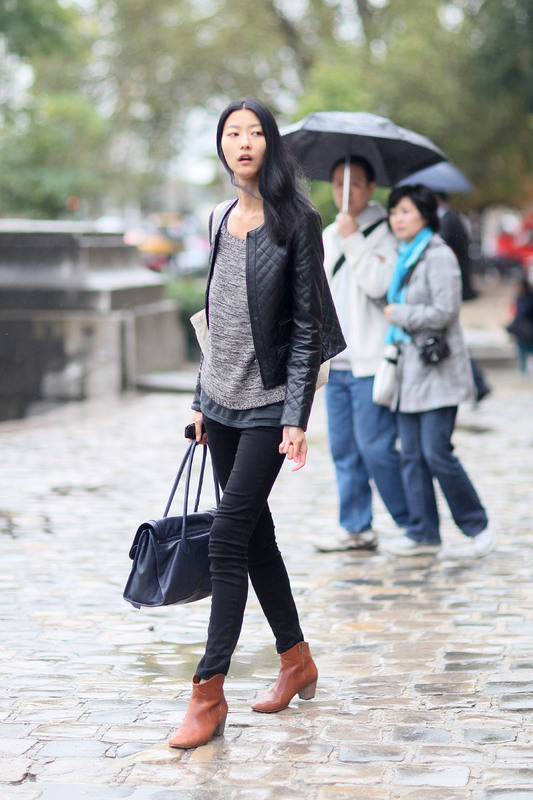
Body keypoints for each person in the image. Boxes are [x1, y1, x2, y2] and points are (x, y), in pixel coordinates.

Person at [168, 98, 346, 749]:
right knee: (254, 536)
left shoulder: (297, 220)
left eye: (253, 132)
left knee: (225, 537)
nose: (242, 142)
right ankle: (295, 659)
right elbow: (214, 320)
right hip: (220, 402)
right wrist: (200, 398)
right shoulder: (218, 218)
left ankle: (207, 693)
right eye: (231, 132)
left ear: (270, 144)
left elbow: (305, 327)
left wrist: (295, 417)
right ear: (221, 146)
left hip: (270, 404)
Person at [383, 184, 495, 558]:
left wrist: (400, 314)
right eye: (393, 212)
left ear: (425, 215)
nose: (397, 219)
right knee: (411, 455)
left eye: (405, 211)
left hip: (438, 371)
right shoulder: (403, 255)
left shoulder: (438, 254)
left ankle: (477, 526)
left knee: (436, 452)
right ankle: (423, 533)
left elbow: (446, 310)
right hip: (408, 372)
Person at [317, 156, 411, 553]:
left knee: (376, 448)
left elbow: (379, 285)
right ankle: (356, 527)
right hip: (335, 361)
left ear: (371, 188)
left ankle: (413, 524)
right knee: (344, 450)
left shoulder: (385, 232)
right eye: (339, 183)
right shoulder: (328, 233)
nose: (346, 191)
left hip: (370, 361)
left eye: (355, 183)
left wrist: (353, 238)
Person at [436, 193, 491, 402]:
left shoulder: (449, 220)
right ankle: (478, 382)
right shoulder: (449, 218)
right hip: (452, 287)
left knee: (453, 335)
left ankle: (478, 382)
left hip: (451, 288)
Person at [505, 276, 533, 373]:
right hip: (521, 331)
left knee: (528, 348)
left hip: (529, 329)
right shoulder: (519, 298)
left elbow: (523, 312)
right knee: (522, 348)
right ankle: (523, 369)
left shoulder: (530, 298)